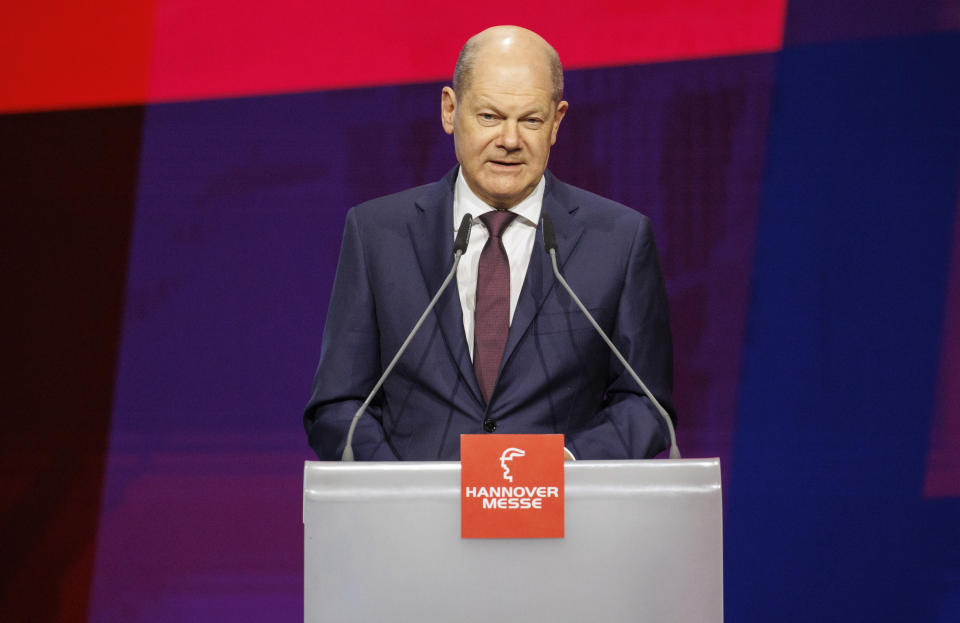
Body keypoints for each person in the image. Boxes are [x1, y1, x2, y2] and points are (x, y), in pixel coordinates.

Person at [304, 25, 674, 460]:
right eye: (490, 117)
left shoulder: (620, 240)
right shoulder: (377, 234)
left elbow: (646, 406)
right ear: (449, 110)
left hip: (561, 518)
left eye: (531, 120)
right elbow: (338, 404)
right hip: (412, 521)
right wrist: (401, 489)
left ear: (556, 122)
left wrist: (562, 468)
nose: (510, 140)